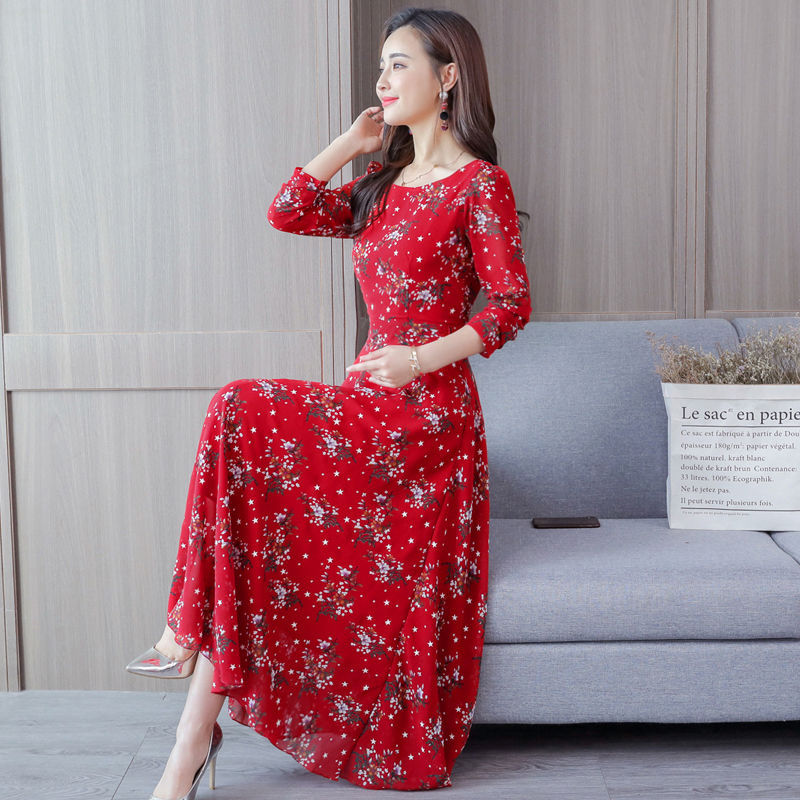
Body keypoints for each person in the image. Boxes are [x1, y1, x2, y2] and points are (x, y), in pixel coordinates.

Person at [125, 6, 532, 797]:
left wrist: (418, 358)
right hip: (365, 412)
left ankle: (185, 670)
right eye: (380, 67)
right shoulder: (381, 187)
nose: (382, 81)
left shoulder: (480, 185)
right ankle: (190, 734)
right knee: (241, 455)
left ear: (449, 76)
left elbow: (510, 305)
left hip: (429, 428)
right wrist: (351, 143)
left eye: (399, 64)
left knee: (237, 405)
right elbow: (287, 208)